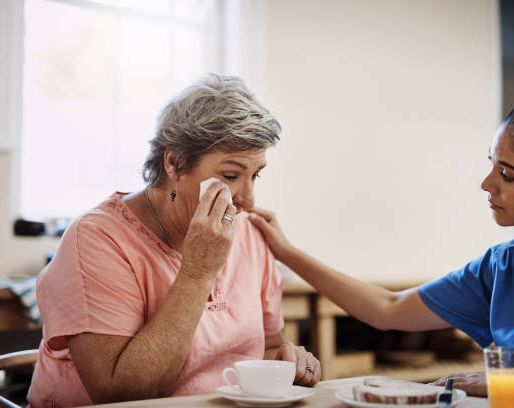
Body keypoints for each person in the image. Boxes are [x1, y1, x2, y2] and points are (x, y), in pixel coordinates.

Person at [249, 92, 514, 404]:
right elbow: (389, 308)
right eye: (492, 165)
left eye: (507, 175)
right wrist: (286, 251)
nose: (486, 183)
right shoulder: (503, 267)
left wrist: (501, 379)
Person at [27, 74, 321, 407]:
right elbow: (119, 393)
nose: (248, 201)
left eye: (255, 175)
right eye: (230, 176)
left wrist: (284, 359)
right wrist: (198, 271)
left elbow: (264, 347)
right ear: (174, 163)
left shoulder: (250, 233)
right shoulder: (96, 239)